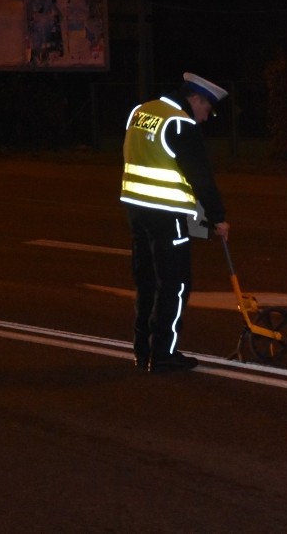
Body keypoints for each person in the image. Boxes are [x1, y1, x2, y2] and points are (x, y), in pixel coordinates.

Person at [120, 72, 230, 373]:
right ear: (195, 99)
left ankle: (142, 350)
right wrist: (218, 218)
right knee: (176, 283)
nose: (205, 118)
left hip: (135, 208)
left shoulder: (142, 111)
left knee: (146, 281)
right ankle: (165, 354)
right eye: (208, 110)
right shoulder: (180, 123)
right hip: (166, 215)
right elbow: (201, 176)